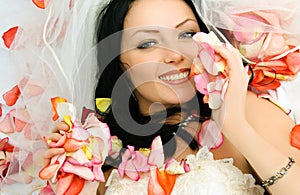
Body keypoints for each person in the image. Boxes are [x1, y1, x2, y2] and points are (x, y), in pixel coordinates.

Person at [28, 0, 300, 194]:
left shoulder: (248, 112)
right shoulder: (100, 149)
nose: (175, 54)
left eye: (187, 34)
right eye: (147, 43)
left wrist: (237, 127)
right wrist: (77, 184)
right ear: (118, 63)